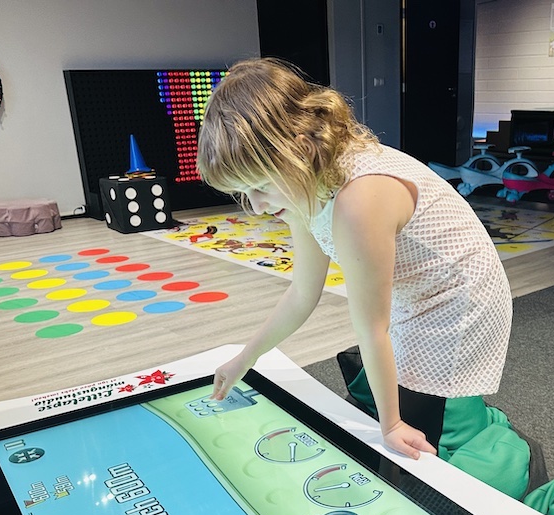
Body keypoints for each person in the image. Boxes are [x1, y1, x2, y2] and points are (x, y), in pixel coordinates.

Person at [197, 58, 512, 461]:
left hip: (458, 295)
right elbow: (302, 292)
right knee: (386, 378)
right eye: (245, 192)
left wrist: (392, 425)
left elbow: (372, 328)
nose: (256, 207)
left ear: (300, 150)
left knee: (411, 420)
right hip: (414, 288)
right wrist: (246, 358)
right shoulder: (303, 182)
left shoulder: (358, 199)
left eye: (259, 186)